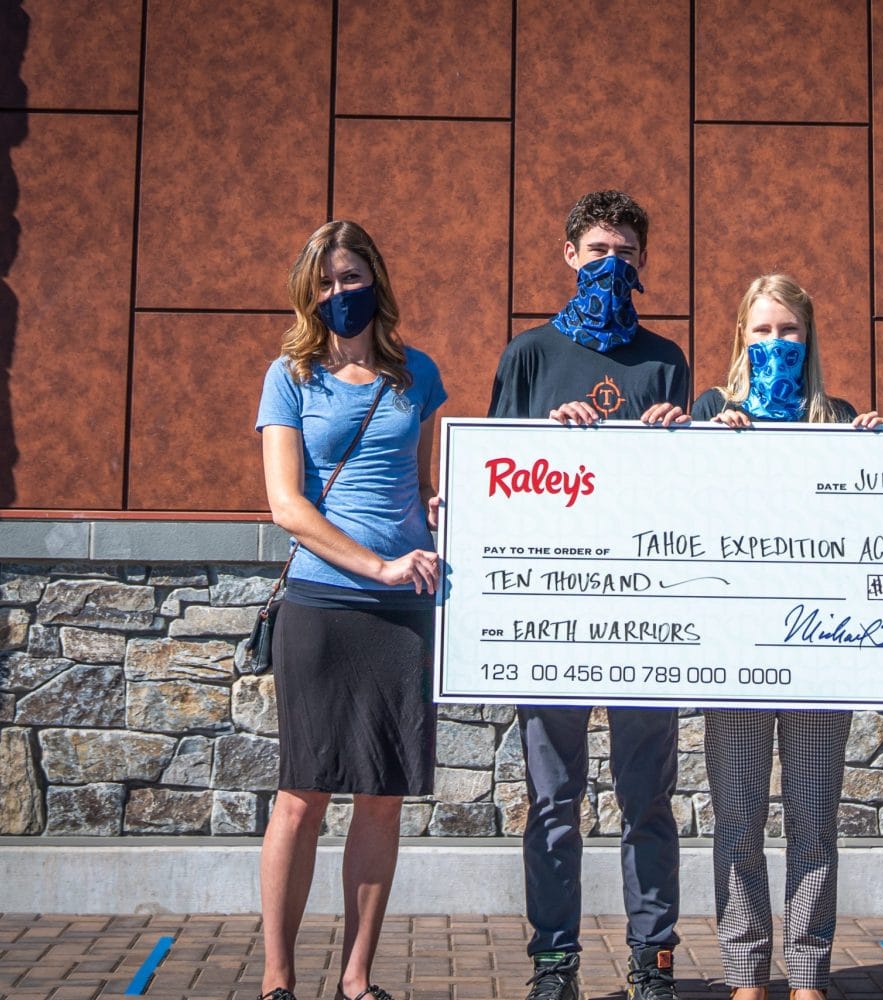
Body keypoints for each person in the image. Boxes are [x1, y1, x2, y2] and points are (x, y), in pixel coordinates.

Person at [488, 190, 689, 1000]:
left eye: (628, 253)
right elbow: (495, 481)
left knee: (648, 800)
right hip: (551, 613)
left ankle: (654, 960)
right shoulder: (528, 357)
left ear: (644, 264)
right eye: (599, 249)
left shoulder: (663, 360)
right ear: (568, 255)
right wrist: (546, 436)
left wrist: (682, 440)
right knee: (553, 801)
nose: (614, 264)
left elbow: (689, 496)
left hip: (645, 611)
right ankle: (554, 964)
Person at [255, 220, 447, 1000]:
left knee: (381, 799)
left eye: (352, 278)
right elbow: (286, 506)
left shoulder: (417, 375)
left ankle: (357, 980)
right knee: (302, 795)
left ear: (377, 280)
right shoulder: (289, 376)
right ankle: (277, 979)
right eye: (326, 283)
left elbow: (425, 483)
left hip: (402, 613)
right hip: (321, 605)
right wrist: (375, 563)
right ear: (310, 293)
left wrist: (441, 517)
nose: (341, 294)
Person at [692, 274, 883, 1000]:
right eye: (763, 330)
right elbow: (676, 513)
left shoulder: (833, 417)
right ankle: (745, 973)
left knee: (813, 820)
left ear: (809, 338)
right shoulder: (713, 410)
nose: (777, 343)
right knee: (736, 820)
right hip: (735, 655)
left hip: (815, 656)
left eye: (790, 331)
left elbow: (865, 525)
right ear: (740, 334)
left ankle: (807, 973)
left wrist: (873, 457)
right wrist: (702, 446)